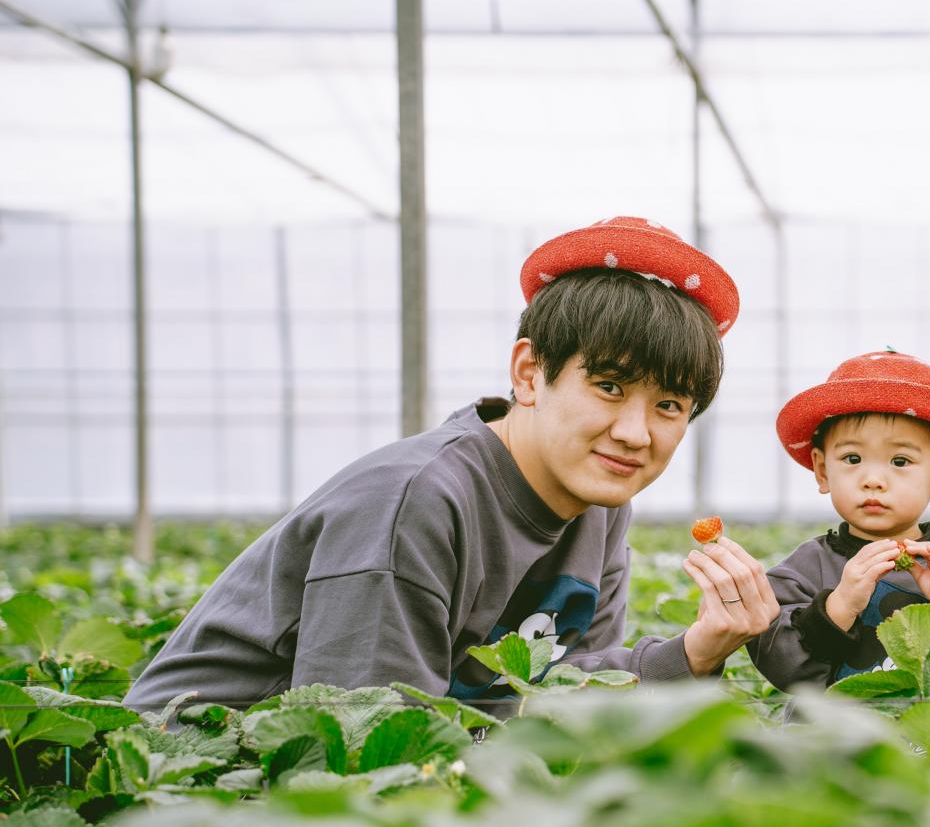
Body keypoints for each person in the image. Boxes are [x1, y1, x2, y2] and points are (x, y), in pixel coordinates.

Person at [126, 217, 780, 709]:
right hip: (202, 782)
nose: (635, 432)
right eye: (608, 386)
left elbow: (561, 690)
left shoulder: (599, 505)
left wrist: (695, 650)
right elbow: (367, 738)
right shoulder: (414, 500)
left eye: (668, 404)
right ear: (529, 373)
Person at [747, 351, 930, 688]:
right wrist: (838, 607)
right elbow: (778, 662)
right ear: (823, 470)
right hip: (831, 738)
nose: (873, 479)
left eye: (900, 461)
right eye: (852, 458)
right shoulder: (804, 569)